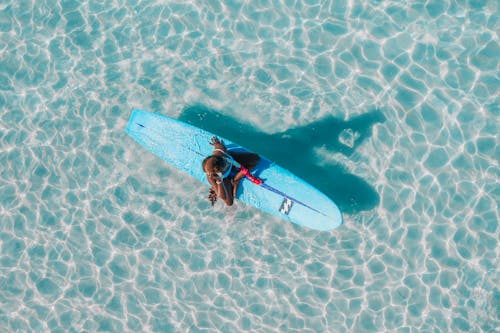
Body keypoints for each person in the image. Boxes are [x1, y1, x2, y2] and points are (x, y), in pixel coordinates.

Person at [202, 136, 260, 206]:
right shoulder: (212, 177)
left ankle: (236, 179)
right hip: (224, 179)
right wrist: (219, 182)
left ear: (221, 158)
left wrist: (216, 143)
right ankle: (234, 180)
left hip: (233, 158)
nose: (226, 163)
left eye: (225, 161)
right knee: (229, 202)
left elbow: (218, 146)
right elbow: (222, 196)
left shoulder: (220, 151)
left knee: (256, 159)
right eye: (225, 166)